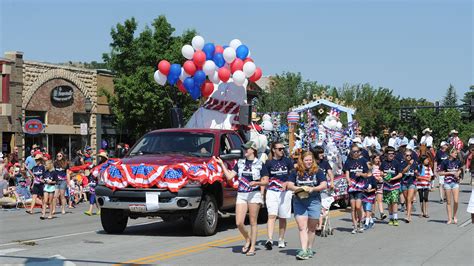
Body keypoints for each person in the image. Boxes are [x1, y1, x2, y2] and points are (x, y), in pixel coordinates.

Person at [215, 141, 269, 256]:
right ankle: (248, 239)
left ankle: (252, 247)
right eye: (244, 149)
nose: (244, 150)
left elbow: (266, 181)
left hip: (254, 194)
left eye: (247, 149)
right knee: (239, 222)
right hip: (242, 194)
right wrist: (222, 165)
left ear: (253, 150)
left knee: (253, 222)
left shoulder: (260, 164)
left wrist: (257, 183)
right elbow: (230, 176)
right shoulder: (240, 163)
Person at [286, 151, 327, 260]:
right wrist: (299, 189)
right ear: (302, 161)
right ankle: (303, 250)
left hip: (314, 201)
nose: (308, 162)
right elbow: (289, 185)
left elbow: (324, 184)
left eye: (310, 160)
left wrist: (313, 188)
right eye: (306, 160)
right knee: (302, 227)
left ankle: (309, 248)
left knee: (312, 228)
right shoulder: (295, 172)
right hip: (299, 201)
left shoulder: (318, 171)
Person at [263, 141, 294, 250]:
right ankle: (270, 239)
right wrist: (262, 192)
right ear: (273, 150)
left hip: (285, 193)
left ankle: (281, 239)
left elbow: (292, 174)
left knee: (282, 217)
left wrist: (288, 184)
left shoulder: (287, 161)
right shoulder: (268, 163)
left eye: (283, 148)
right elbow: (265, 178)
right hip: (272, 191)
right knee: (272, 215)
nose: (282, 151)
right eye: (280, 149)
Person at [343, 144, 370, 234]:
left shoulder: (363, 161)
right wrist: (348, 180)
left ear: (359, 152)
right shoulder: (348, 161)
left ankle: (360, 223)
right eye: (354, 151)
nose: (355, 153)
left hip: (360, 186)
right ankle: (354, 226)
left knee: (358, 206)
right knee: (353, 207)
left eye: (357, 151)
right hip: (351, 186)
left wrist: (361, 174)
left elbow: (367, 174)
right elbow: (346, 173)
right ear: (351, 152)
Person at [438, 148, 463, 224]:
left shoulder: (458, 161)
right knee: (448, 202)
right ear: (451, 153)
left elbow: (460, 169)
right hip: (447, 183)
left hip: (455, 183)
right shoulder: (445, 162)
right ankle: (449, 218)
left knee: (456, 201)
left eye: (456, 153)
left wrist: (458, 172)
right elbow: (440, 173)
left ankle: (454, 216)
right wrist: (450, 173)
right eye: (455, 153)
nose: (456, 154)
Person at [381, 146, 403, 226]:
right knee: (389, 202)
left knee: (394, 201)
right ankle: (390, 218)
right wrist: (383, 174)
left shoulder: (397, 163)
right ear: (386, 154)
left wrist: (393, 178)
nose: (391, 155)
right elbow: (381, 172)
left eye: (393, 154)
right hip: (386, 185)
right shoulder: (383, 162)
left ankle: (395, 218)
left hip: (395, 185)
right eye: (389, 154)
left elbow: (400, 174)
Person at [85, 151, 108, 216]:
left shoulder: (107, 164)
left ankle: (100, 210)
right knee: (93, 194)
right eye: (100, 157)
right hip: (97, 181)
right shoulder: (100, 163)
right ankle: (91, 210)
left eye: (102, 157)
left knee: (99, 196)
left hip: (104, 181)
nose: (101, 158)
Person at [400, 150, 419, 223]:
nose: (408, 157)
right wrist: (409, 165)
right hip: (404, 183)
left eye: (410, 155)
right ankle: (408, 212)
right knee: (406, 199)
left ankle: (408, 215)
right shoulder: (402, 163)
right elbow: (403, 172)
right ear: (404, 156)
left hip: (412, 183)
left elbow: (417, 174)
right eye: (407, 155)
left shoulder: (415, 164)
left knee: (409, 198)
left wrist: (417, 173)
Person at [371, 154, 386, 220]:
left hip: (380, 184)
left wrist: (383, 175)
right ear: (373, 159)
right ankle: (372, 214)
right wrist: (375, 179)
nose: (378, 160)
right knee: (373, 201)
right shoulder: (371, 166)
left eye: (378, 158)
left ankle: (382, 213)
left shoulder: (381, 166)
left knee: (380, 200)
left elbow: (384, 174)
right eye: (376, 158)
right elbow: (369, 175)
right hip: (373, 185)